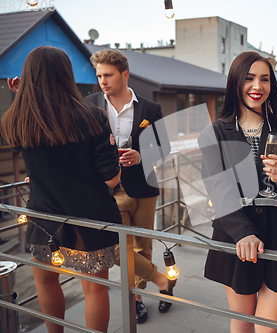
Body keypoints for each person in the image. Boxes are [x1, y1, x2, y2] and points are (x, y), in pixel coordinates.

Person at [1, 46, 122, 333]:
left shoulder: (16, 119)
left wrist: (22, 98)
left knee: (45, 282)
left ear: (28, 78)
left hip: (44, 218)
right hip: (90, 220)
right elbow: (111, 178)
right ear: (66, 75)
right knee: (94, 290)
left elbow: (40, 133)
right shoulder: (93, 116)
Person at [198, 51, 277, 333]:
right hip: (236, 235)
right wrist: (243, 232)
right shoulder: (216, 133)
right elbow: (218, 188)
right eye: (249, 78)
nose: (257, 86)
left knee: (268, 327)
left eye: (265, 79)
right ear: (235, 82)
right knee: (243, 320)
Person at [85, 49, 172, 323]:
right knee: (121, 247)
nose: (102, 81)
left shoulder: (150, 108)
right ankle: (163, 280)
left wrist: (142, 155)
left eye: (108, 75)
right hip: (108, 191)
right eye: (99, 75)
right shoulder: (89, 105)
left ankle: (136, 297)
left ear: (124, 74)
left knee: (142, 247)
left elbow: (164, 147)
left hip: (144, 187)